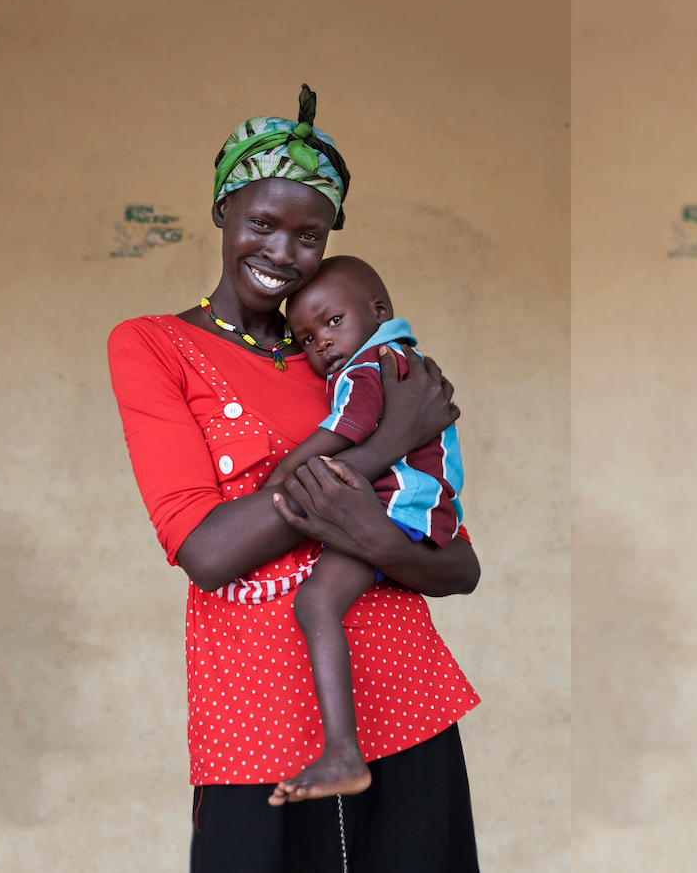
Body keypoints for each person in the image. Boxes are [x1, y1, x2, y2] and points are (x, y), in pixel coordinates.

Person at [108, 85, 481, 872]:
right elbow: (207, 552)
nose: (282, 253)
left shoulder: (355, 357)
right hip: (253, 719)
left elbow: (458, 565)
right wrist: (387, 445)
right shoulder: (154, 346)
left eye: (309, 237)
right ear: (222, 211)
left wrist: (381, 530)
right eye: (262, 224)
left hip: (406, 700)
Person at [265, 255, 464, 805]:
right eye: (305, 338)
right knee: (321, 603)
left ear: (379, 312)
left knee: (315, 604)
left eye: (332, 323)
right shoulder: (404, 360)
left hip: (396, 507)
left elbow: (345, 430)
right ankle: (344, 750)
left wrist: (285, 473)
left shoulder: (369, 364)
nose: (321, 344)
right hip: (419, 508)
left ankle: (342, 753)